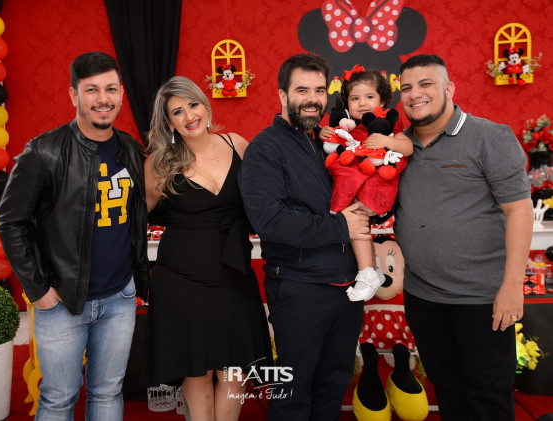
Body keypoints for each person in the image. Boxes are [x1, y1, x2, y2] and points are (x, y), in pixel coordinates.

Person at [0, 51, 149, 420]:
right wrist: (40, 292)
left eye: (110, 89)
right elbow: (10, 222)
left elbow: (137, 215)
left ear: (122, 93)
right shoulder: (44, 151)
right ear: (73, 95)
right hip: (62, 300)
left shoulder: (131, 149)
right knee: (58, 399)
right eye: (92, 89)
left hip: (119, 298)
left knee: (108, 392)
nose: (103, 99)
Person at [394, 54, 533, 421]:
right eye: (406, 87)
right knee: (447, 390)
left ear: (449, 89)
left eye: (426, 84)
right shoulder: (398, 147)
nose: (415, 94)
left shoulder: (490, 137)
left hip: (481, 297)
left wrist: (512, 286)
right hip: (424, 296)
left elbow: (519, 211)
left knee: (487, 394)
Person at [238, 53, 372, 421]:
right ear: (282, 95)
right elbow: (270, 220)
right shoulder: (265, 148)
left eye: (319, 90)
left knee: (333, 386)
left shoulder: (328, 143)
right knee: (293, 396)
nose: (312, 99)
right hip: (300, 290)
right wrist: (341, 226)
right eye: (302, 90)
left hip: (345, 290)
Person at [143, 76, 272, 421]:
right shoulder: (159, 163)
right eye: (177, 112)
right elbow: (134, 219)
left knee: (235, 370)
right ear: (169, 122)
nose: (189, 116)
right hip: (180, 281)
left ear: (205, 104)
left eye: (193, 105)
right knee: (196, 370)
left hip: (234, 275)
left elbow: (265, 201)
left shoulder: (238, 144)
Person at [318, 65, 414, 302]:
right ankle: (371, 270)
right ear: (346, 103)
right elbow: (332, 143)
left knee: (356, 220)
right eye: (355, 98)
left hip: (377, 185)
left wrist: (386, 141)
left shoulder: (387, 124)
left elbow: (408, 147)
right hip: (356, 183)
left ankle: (366, 272)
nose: (362, 103)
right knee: (359, 225)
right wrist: (324, 133)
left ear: (383, 100)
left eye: (369, 97)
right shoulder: (347, 126)